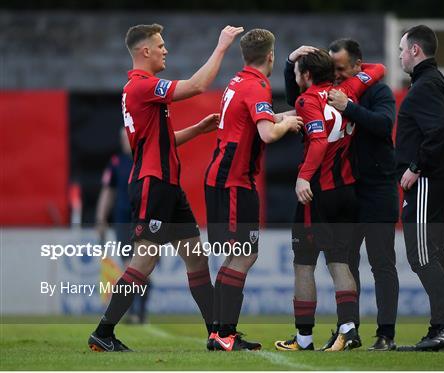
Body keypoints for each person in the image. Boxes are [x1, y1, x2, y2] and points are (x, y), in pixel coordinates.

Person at [88, 23, 244, 352]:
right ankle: (104, 332)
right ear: (145, 51)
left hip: (167, 187)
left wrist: (197, 130)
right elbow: (198, 86)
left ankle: (218, 333)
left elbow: (161, 142)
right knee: (145, 260)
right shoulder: (142, 86)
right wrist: (222, 46)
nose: (165, 50)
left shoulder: (139, 90)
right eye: (160, 45)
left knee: (196, 259)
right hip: (153, 185)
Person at [283, 41, 399, 351]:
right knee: (341, 261)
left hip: (319, 192)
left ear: (305, 75)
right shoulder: (349, 88)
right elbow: (378, 69)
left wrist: (303, 177)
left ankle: (305, 339)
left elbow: (318, 140)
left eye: (295, 72)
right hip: (347, 191)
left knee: (304, 264)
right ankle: (349, 330)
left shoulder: (309, 99)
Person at [205, 28, 303, 352]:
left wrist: (287, 115)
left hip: (220, 177)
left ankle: (220, 333)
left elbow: (253, 120)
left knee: (235, 255)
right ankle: (223, 334)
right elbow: (266, 134)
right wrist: (286, 125)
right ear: (271, 56)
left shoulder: (238, 82)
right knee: (245, 254)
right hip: (235, 181)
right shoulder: (259, 86)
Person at [395, 25, 444, 352]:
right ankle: (441, 325)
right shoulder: (440, 83)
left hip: (426, 181)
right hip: (442, 178)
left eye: (401, 49)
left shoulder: (425, 85)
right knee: (435, 253)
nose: (399, 55)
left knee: (420, 254)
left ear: (415, 51)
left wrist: (417, 167)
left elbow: (440, 129)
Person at [96, 129, 150, 324]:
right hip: (122, 220)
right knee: (129, 265)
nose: (125, 142)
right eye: (123, 139)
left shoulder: (146, 160)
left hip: (143, 218)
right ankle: (134, 311)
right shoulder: (116, 163)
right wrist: (101, 217)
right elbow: (108, 191)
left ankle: (140, 310)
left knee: (142, 266)